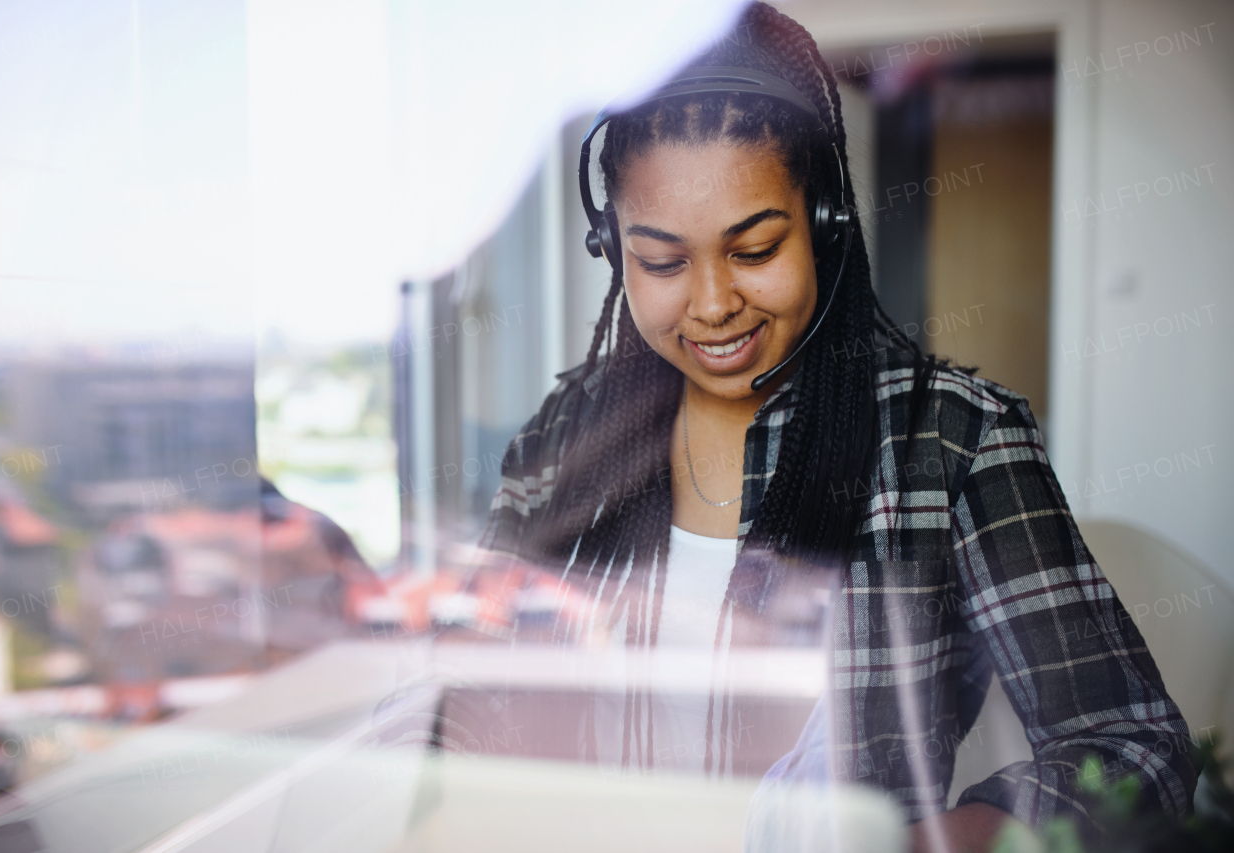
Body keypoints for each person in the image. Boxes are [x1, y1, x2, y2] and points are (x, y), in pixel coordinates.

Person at [477, 3, 1196, 850]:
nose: (712, 304)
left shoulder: (953, 440)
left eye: (754, 250)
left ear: (825, 225)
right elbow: (464, 686)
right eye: (663, 261)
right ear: (613, 249)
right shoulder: (566, 434)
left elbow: (1131, 748)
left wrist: (934, 839)